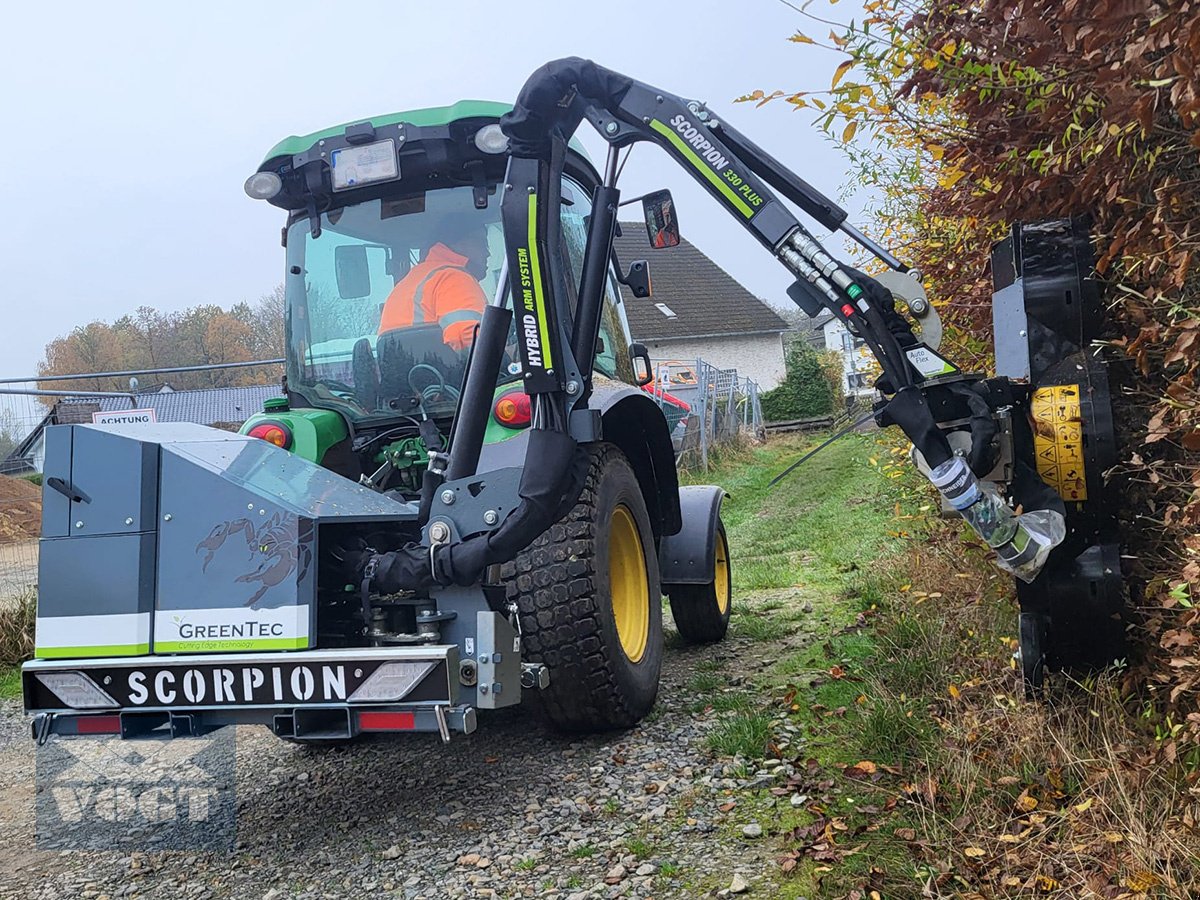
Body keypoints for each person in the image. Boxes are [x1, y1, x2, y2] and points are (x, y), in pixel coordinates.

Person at [379, 219, 490, 351]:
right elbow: (467, 338)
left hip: (413, 369)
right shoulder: (453, 277)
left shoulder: (409, 281)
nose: (488, 253)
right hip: (441, 369)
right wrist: (505, 356)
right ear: (460, 243)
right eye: (483, 244)